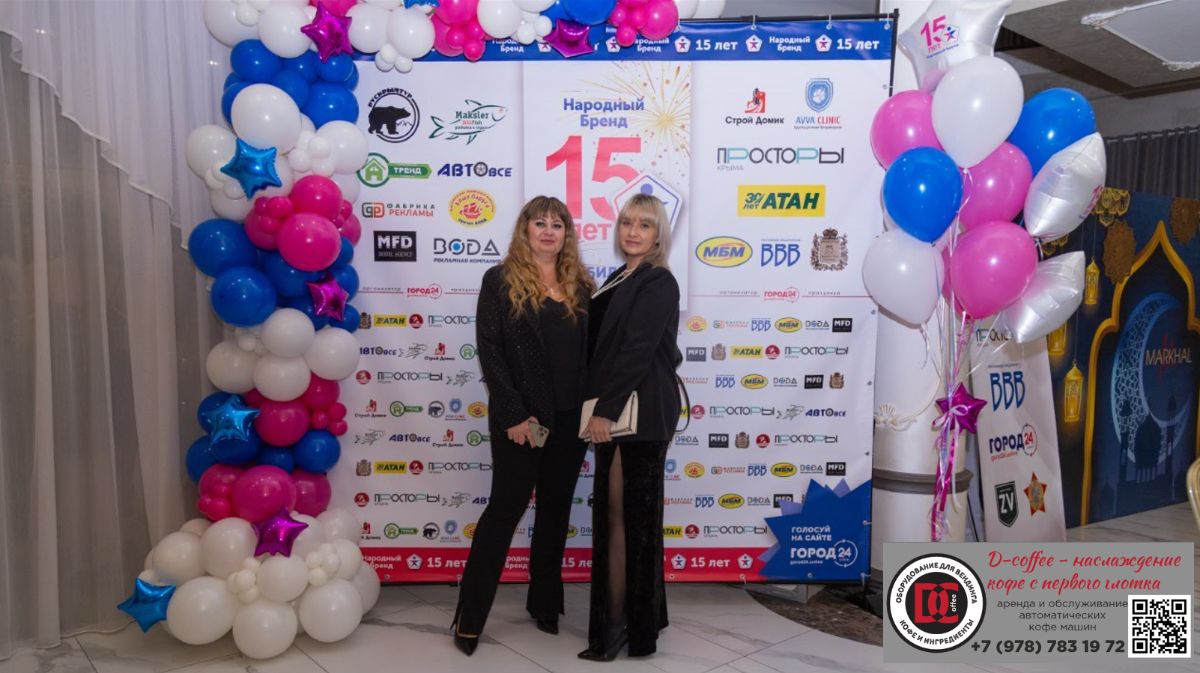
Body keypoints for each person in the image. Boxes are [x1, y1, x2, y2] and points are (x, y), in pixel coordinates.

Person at [451, 196, 595, 656]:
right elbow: (490, 350)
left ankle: (545, 603)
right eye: (540, 223)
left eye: (558, 224)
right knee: (503, 514)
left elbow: (590, 355)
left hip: (570, 421)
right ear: (525, 229)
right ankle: (469, 617)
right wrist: (513, 414)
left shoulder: (581, 286)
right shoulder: (499, 281)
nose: (549, 231)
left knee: (555, 513)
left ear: (567, 234)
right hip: (524, 421)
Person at [578, 193, 682, 661]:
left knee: (625, 522)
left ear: (659, 234)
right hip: (620, 410)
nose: (633, 231)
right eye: (627, 223)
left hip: (637, 414)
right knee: (625, 520)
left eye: (644, 224)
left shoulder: (658, 280)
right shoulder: (620, 276)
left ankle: (618, 627)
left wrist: (605, 411)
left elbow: (637, 350)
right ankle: (641, 620)